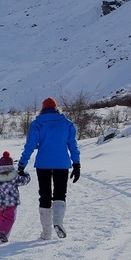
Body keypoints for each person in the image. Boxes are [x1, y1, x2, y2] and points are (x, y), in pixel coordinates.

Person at [18, 97, 81, 240]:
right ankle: (58, 222)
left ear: (43, 109)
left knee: (44, 195)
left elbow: (30, 146)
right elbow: (72, 145)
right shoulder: (67, 124)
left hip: (43, 164)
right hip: (61, 163)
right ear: (56, 108)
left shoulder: (37, 124)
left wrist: (22, 164)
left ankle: (46, 232)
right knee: (60, 193)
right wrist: (77, 164)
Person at [0, 151, 31, 242]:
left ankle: (0, 231)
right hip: (11, 202)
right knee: (9, 218)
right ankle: (4, 231)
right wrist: (26, 174)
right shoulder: (15, 177)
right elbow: (25, 180)